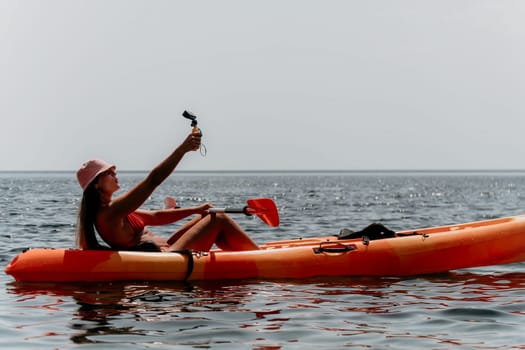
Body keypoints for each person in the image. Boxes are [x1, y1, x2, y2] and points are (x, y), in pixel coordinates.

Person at [75, 132, 259, 252]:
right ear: (96, 185)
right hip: (166, 259)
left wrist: (196, 209)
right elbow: (153, 180)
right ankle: (258, 259)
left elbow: (156, 217)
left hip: (167, 250)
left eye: (113, 171)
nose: (115, 174)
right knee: (218, 218)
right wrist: (182, 149)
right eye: (108, 173)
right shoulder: (109, 213)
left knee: (207, 216)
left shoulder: (113, 210)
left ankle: (243, 257)